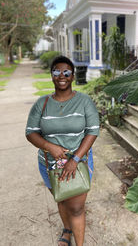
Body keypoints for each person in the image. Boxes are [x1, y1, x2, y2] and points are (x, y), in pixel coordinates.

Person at [25, 56, 99, 246]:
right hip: (48, 165)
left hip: (78, 163)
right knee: (62, 199)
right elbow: (30, 132)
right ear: (52, 76)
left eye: (66, 72)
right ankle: (67, 230)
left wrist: (75, 159)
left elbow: (93, 131)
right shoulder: (41, 103)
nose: (61, 76)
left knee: (76, 208)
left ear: (73, 76)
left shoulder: (84, 101)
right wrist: (49, 146)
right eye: (56, 72)